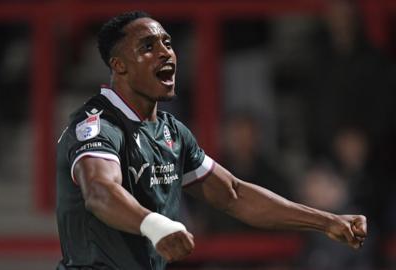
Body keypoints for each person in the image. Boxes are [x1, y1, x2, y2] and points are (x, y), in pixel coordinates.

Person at [55, 11, 367, 270]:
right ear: (119, 66)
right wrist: (156, 225)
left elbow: (234, 195)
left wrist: (326, 222)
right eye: (148, 46)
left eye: (167, 42)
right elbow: (99, 192)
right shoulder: (97, 126)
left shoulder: (171, 133)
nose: (165, 52)